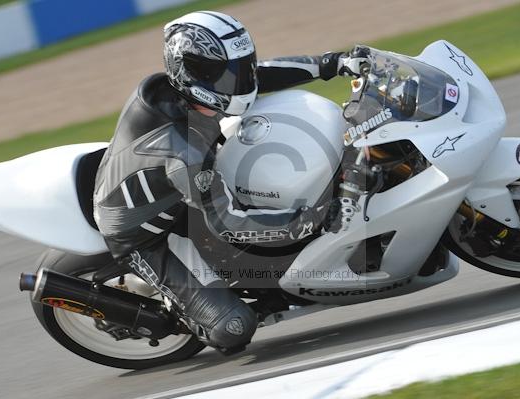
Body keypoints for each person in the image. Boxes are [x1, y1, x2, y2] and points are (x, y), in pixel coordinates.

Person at [93, 11, 365, 354]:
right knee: (233, 329)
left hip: (179, 193)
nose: (238, 81)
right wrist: (312, 221)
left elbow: (261, 75)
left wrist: (332, 63)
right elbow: (228, 223)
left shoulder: (190, 91)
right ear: (191, 73)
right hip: (145, 236)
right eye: (224, 74)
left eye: (238, 68)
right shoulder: (182, 153)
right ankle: (173, 312)